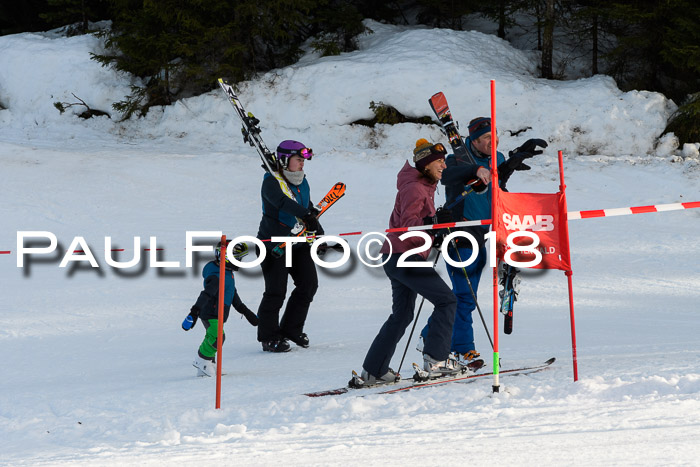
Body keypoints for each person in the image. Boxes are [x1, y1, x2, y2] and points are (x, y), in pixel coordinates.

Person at [419, 117, 547, 365]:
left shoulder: (495, 157)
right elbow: (446, 177)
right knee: (464, 296)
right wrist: (474, 170)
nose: (492, 141)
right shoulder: (456, 158)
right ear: (474, 140)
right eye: (486, 138)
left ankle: (430, 336)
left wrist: (513, 160)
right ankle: (464, 349)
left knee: (464, 296)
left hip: (484, 233)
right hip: (460, 233)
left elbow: (496, 184)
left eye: (494, 135)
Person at [358, 138, 484, 386]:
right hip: (404, 257)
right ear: (426, 164)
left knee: (402, 314)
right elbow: (409, 226)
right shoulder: (414, 188)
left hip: (396, 256)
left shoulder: (422, 184)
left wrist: (435, 226)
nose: (444, 166)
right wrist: (434, 223)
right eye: (439, 162)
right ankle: (436, 360)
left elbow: (418, 225)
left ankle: (374, 370)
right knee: (447, 301)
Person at [256, 140, 323, 353]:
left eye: (303, 160)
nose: (302, 163)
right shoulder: (271, 182)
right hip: (273, 244)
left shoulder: (302, 181)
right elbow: (283, 203)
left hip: (297, 242)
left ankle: (291, 329)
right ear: (285, 160)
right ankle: (268, 337)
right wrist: (305, 215)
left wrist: (315, 225)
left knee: (308, 284)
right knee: (276, 291)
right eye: (298, 159)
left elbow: (305, 206)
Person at [184, 240, 259, 377]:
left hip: (219, 311)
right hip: (211, 311)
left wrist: (247, 312)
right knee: (218, 336)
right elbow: (206, 294)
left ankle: (207, 364)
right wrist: (194, 312)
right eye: (238, 259)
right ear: (228, 258)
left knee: (212, 335)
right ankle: (201, 360)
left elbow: (233, 294)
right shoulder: (216, 276)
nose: (240, 262)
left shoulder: (227, 272)